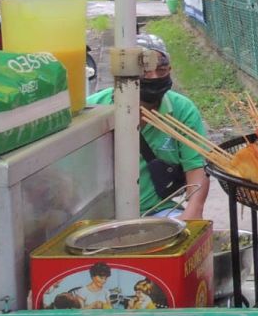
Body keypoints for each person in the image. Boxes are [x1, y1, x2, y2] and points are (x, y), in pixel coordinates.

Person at [87, 33, 210, 219]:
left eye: (161, 70)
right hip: (102, 216)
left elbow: (196, 167)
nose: (153, 77)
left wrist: (194, 212)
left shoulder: (182, 109)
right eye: (145, 71)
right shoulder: (95, 108)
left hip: (159, 211)